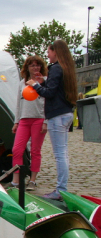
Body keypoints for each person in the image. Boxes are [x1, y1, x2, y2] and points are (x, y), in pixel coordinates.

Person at [26, 39, 77, 200]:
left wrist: (35, 85)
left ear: (55, 51)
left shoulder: (55, 68)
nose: (47, 55)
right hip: (66, 113)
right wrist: (44, 81)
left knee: (60, 154)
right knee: (63, 153)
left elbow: (50, 93)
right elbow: (57, 88)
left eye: (49, 51)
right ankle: (62, 188)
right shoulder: (66, 68)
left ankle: (61, 190)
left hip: (57, 115)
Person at [10, 56, 48, 190]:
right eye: (32, 65)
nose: (35, 67)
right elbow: (18, 104)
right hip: (24, 120)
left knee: (35, 150)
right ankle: (16, 179)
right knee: (17, 149)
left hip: (39, 119)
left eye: (37, 65)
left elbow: (48, 102)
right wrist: (16, 121)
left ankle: (32, 180)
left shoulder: (44, 82)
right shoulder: (22, 83)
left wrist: (46, 121)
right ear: (27, 67)